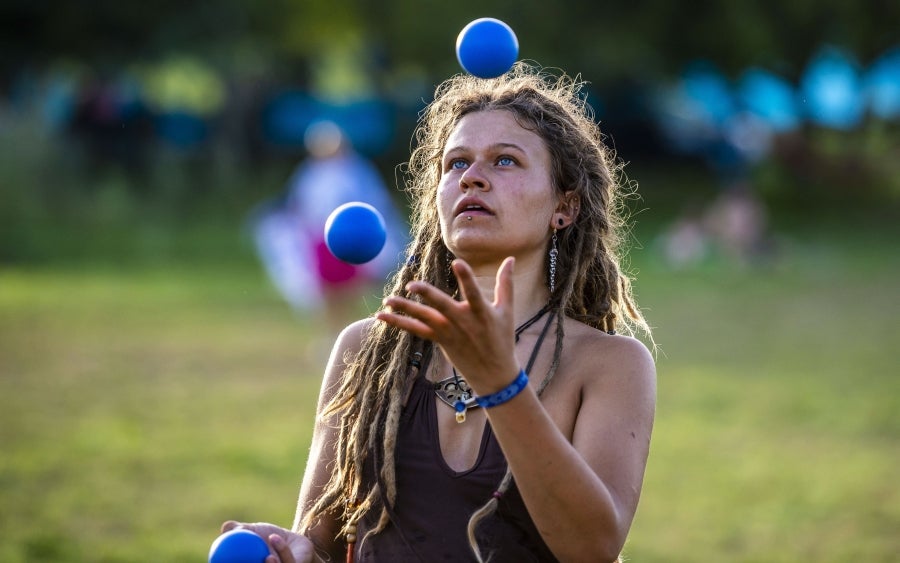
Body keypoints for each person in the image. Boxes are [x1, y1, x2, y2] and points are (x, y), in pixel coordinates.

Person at [222, 61, 656, 563]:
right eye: (456, 164)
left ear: (566, 206)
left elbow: (592, 548)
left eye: (505, 161)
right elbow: (319, 545)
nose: (472, 177)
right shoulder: (367, 350)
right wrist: (287, 552)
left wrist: (501, 386)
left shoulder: (610, 364)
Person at [250, 119, 407, 333]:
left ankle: (351, 333)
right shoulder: (309, 173)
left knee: (348, 291)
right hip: (321, 241)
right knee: (327, 293)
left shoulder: (357, 172)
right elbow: (299, 205)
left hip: (352, 240)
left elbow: (375, 203)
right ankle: (333, 335)